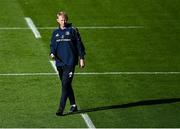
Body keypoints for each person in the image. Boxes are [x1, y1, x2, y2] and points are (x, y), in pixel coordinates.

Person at [50, 11, 86, 116]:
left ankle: (60, 109)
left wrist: (81, 58)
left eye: (65, 19)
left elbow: (79, 45)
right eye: (61, 20)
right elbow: (52, 45)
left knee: (65, 85)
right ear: (57, 20)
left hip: (70, 62)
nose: (64, 22)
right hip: (59, 63)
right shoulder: (55, 32)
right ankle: (73, 105)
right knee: (66, 84)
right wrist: (52, 53)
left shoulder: (73, 30)